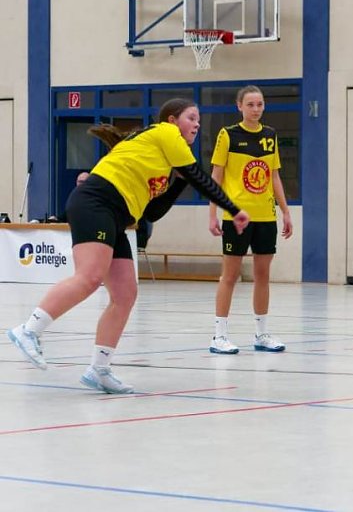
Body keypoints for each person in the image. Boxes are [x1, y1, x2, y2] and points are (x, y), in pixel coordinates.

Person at [6, 98, 249, 393]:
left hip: (118, 216)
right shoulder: (165, 133)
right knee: (89, 276)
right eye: (191, 118)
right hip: (96, 201)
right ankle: (28, 330)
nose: (197, 124)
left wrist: (180, 182)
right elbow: (201, 177)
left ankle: (99, 369)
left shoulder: (162, 158)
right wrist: (233, 209)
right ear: (172, 120)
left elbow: (152, 212)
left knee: (125, 294)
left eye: (199, 119)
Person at [208, 85, 293, 354]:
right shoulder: (228, 135)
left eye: (260, 104)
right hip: (236, 218)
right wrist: (213, 214)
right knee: (230, 275)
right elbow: (216, 176)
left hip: (265, 216)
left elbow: (275, 176)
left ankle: (261, 333)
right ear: (239, 106)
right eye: (251, 104)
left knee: (263, 275)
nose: (256, 109)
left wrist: (285, 211)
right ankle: (219, 335)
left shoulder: (270, 135)